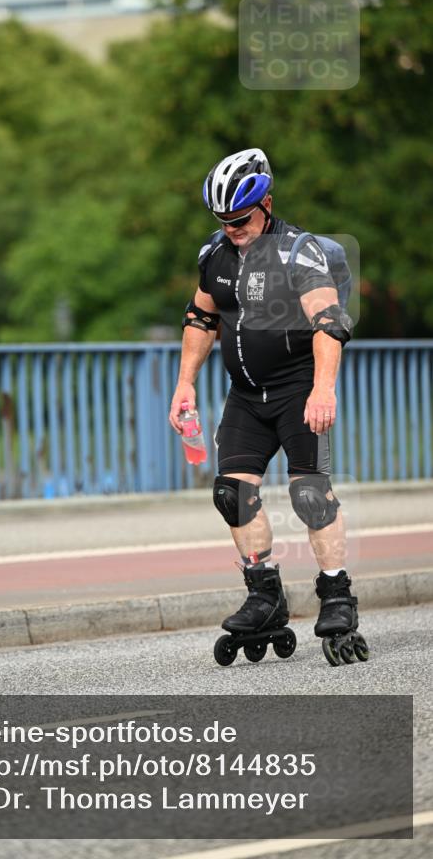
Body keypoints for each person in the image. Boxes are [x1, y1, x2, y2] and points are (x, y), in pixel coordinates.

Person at [168, 148, 360, 661]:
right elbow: (201, 318)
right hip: (246, 397)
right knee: (231, 494)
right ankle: (265, 596)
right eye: (224, 221)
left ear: (267, 204)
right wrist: (185, 384)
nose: (232, 228)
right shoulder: (215, 254)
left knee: (310, 495)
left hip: (298, 391)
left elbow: (329, 322)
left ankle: (337, 595)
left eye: (241, 219)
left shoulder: (299, 253)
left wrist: (324, 389)